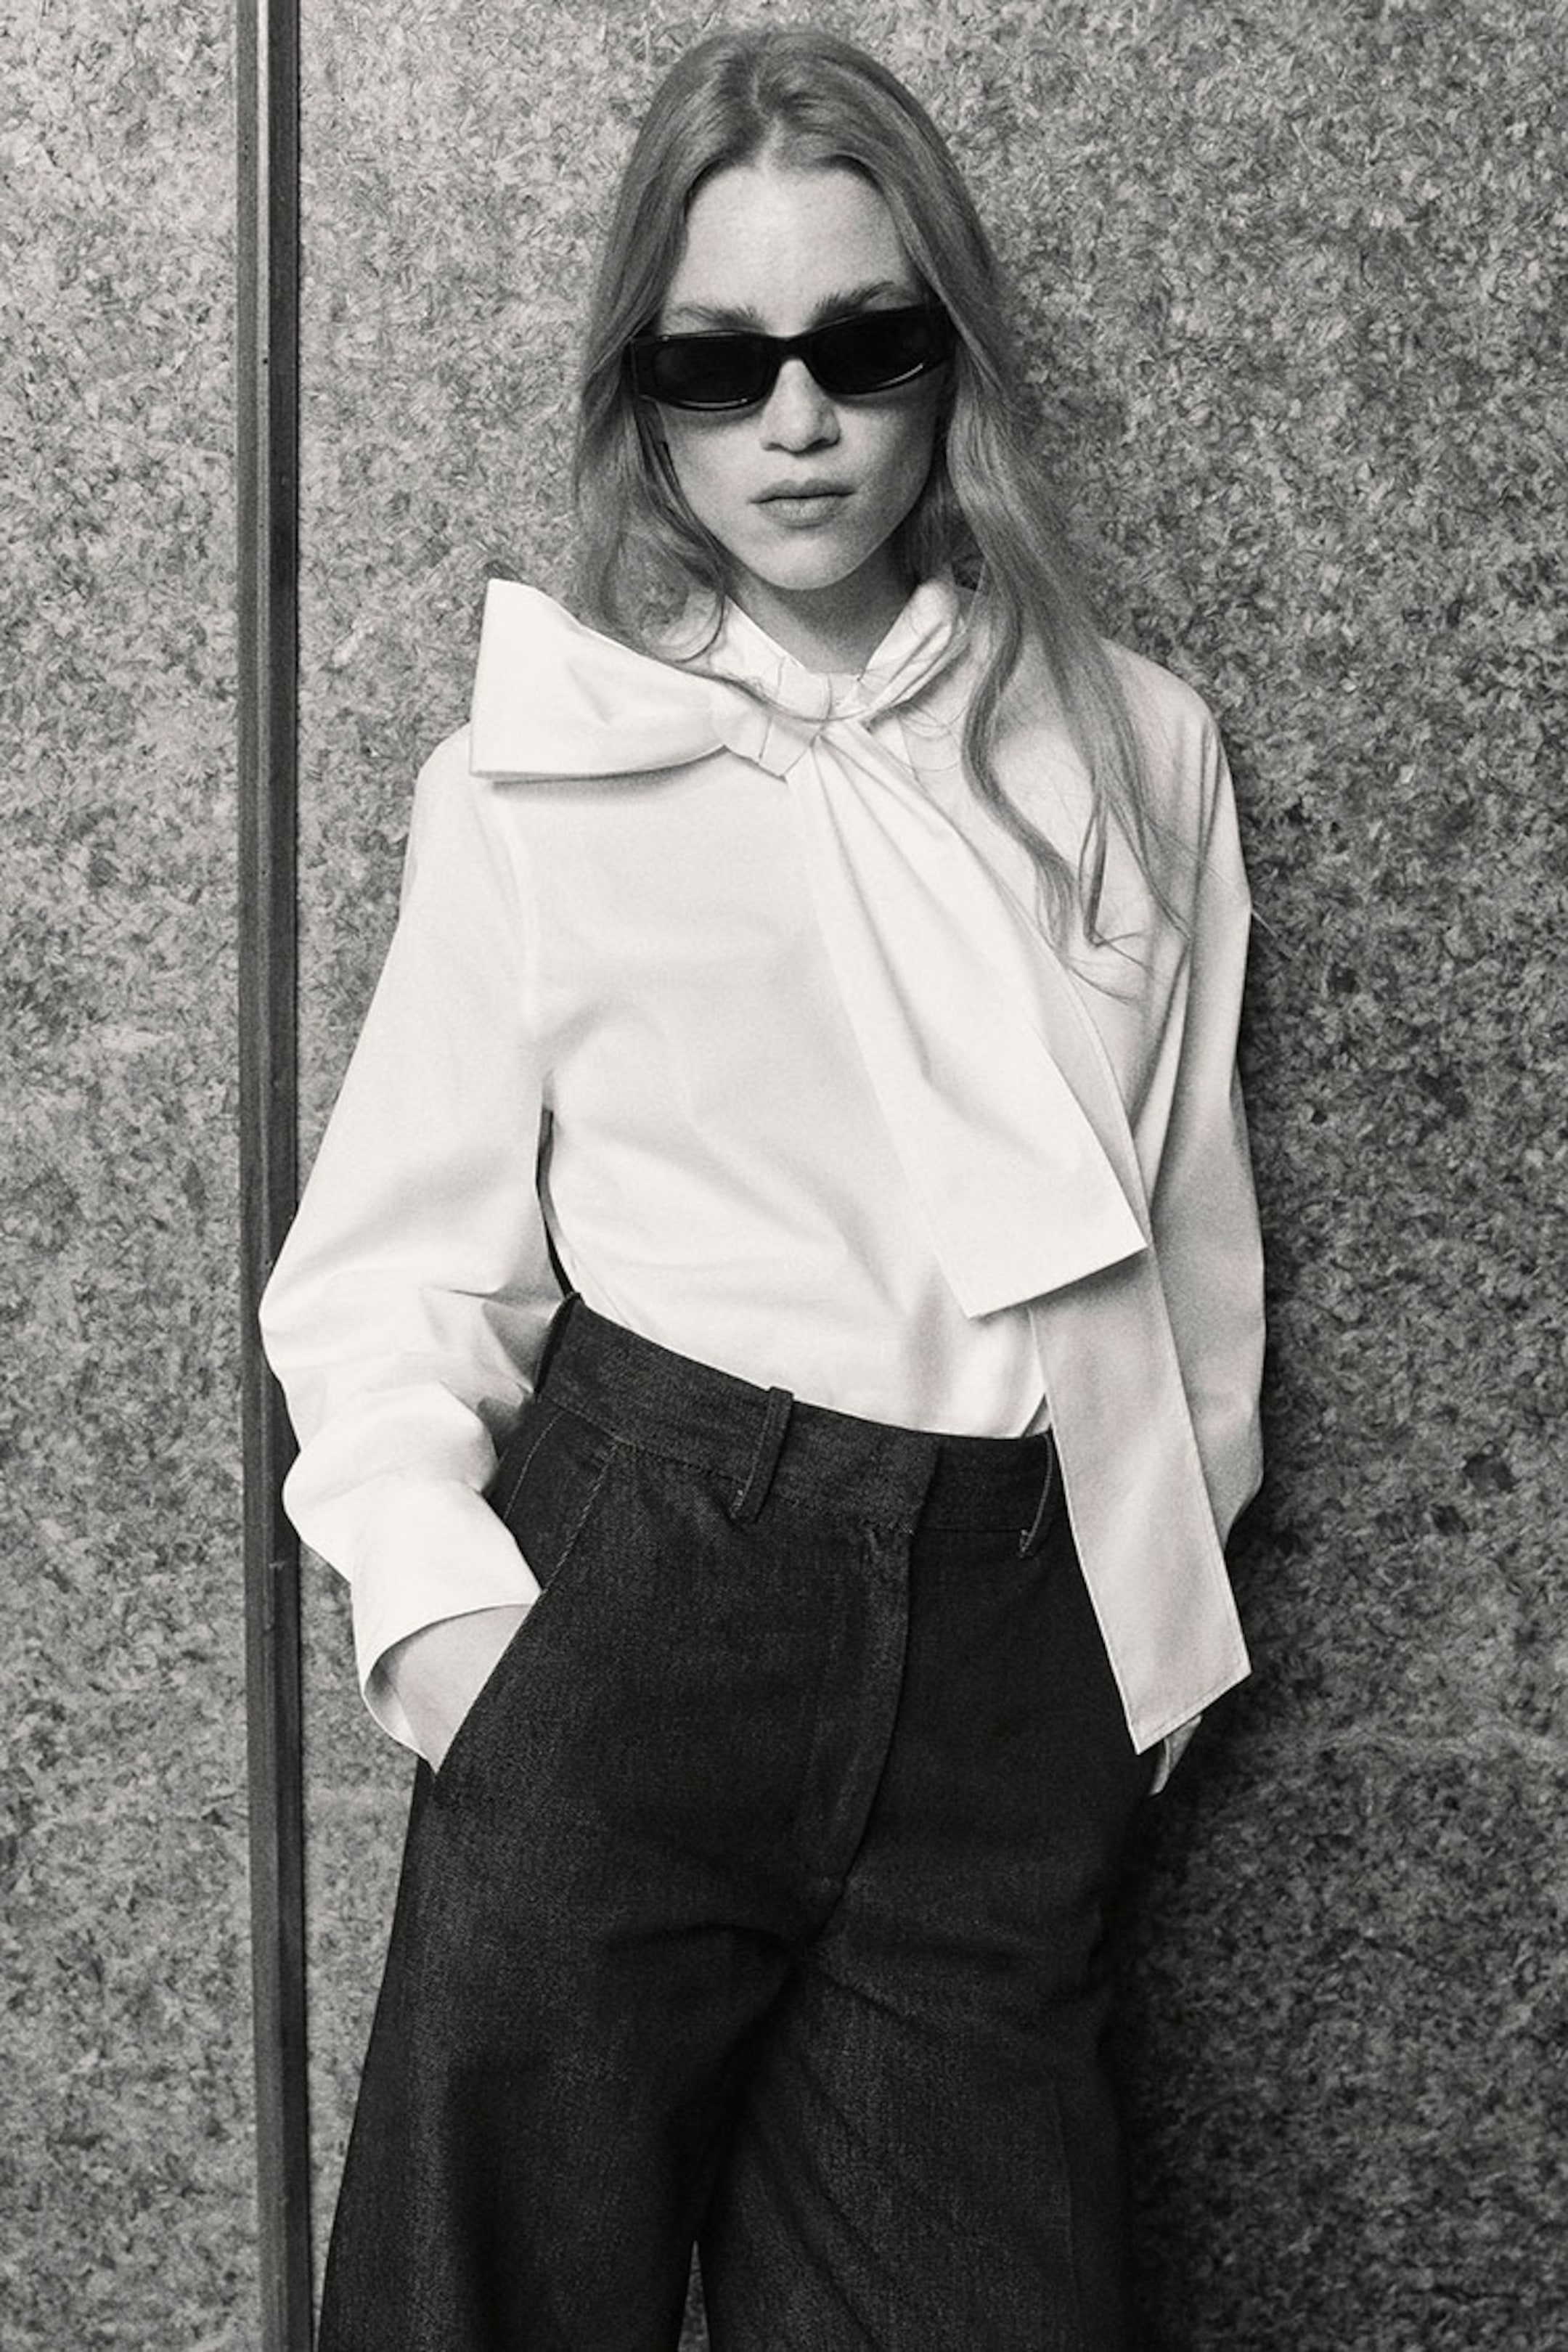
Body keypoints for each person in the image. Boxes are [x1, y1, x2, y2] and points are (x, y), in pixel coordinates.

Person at [260, 25, 1265, 2351]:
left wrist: (1138, 1645)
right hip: (644, 1595)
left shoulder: (1138, 747)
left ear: (952, 368)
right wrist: (469, 1652)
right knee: (480, 2309)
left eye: (862, 343)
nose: (796, 420)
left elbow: (1190, 1236)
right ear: (646, 394)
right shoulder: (537, 777)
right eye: (721, 363)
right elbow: (389, 1278)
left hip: (1014, 1645)